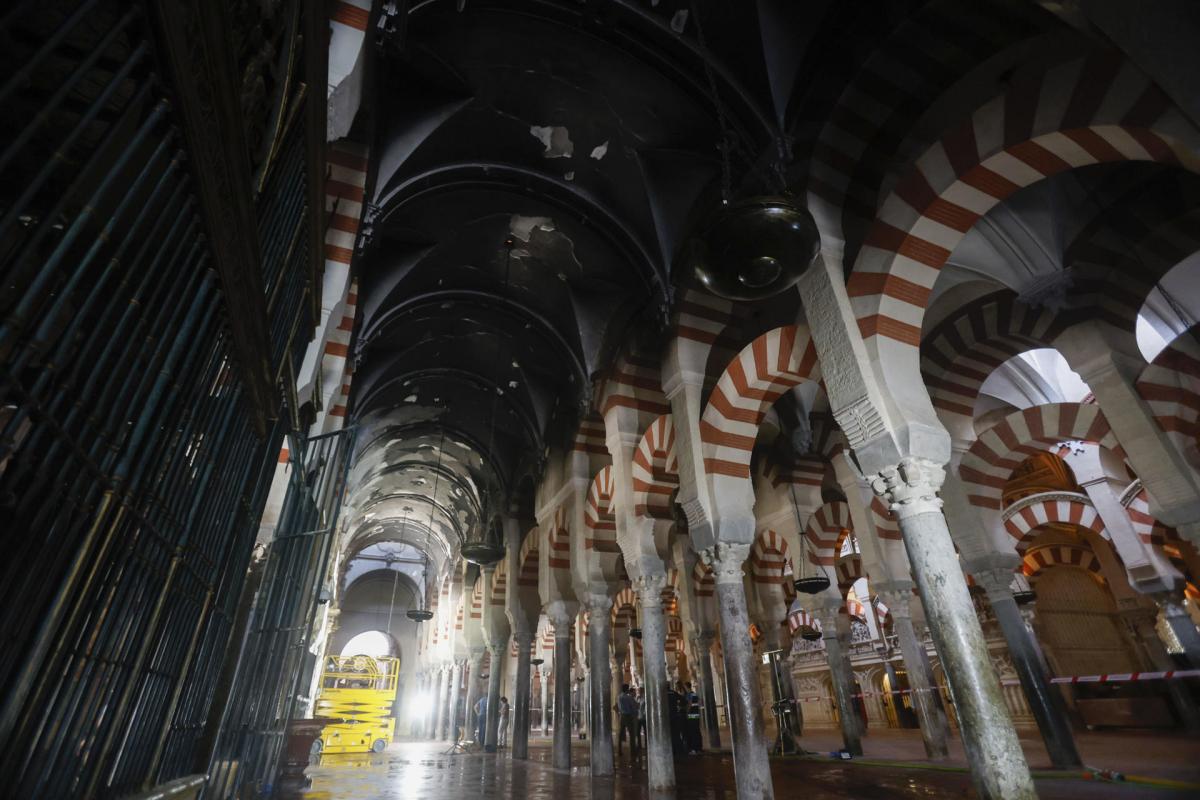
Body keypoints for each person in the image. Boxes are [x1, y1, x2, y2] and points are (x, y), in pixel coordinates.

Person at [615, 684, 639, 757]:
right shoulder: (628, 697)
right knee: (631, 734)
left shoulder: (619, 697)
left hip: (622, 716)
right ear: (627, 689)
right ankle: (633, 751)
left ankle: (619, 750)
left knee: (620, 734)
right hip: (628, 716)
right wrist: (635, 713)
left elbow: (617, 706)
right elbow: (633, 706)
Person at [684, 681, 702, 753]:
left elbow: (689, 704)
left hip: (691, 715)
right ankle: (699, 748)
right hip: (696, 715)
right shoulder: (694, 694)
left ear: (686, 687)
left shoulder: (689, 695)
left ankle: (694, 748)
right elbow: (699, 702)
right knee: (697, 731)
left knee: (692, 732)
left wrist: (686, 713)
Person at [635, 687, 646, 752]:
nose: (638, 692)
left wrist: (644, 714)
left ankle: (646, 744)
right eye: (638, 690)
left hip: (644, 717)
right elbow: (636, 706)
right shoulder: (637, 698)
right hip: (638, 717)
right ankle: (639, 745)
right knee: (638, 732)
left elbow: (645, 707)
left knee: (645, 731)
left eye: (639, 690)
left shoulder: (645, 698)